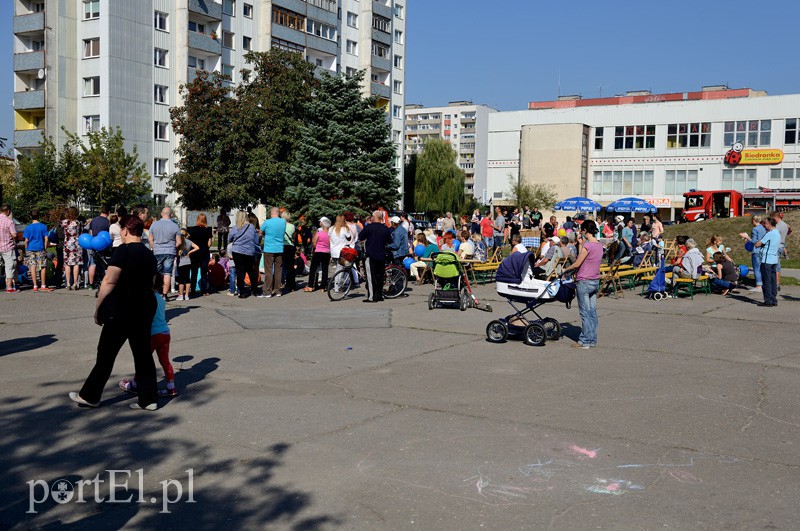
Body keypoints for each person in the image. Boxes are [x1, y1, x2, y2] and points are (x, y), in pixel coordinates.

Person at [69, 215, 159, 410]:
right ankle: (149, 399)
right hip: (145, 306)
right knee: (142, 353)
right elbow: (153, 282)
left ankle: (90, 396)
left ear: (126, 230)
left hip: (123, 307)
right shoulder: (149, 253)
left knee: (106, 353)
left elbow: (109, 281)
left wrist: (98, 309)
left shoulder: (123, 251)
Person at [118, 276, 178, 397]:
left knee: (142, 360)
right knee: (165, 361)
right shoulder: (161, 299)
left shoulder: (147, 299)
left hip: (153, 334)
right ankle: (171, 387)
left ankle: (134, 384)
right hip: (165, 332)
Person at [563, 220, 603, 349]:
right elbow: (586, 259)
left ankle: (585, 341)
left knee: (585, 313)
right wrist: (581, 244)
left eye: (582, 230)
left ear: (585, 230)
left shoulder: (588, 246)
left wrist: (565, 270)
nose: (581, 232)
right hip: (594, 281)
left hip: (584, 281)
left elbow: (577, 263)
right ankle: (592, 339)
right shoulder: (598, 245)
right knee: (592, 312)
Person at [358, 211, 392, 302]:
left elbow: (360, 236)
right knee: (380, 276)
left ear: (374, 217)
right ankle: (379, 295)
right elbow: (389, 240)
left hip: (371, 255)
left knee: (371, 277)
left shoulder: (369, 227)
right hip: (381, 255)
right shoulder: (385, 228)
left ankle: (372, 297)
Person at [149, 207, 182, 298]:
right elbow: (179, 242)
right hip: (170, 251)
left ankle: (155, 292)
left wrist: (154, 247)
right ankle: (164, 294)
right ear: (171, 215)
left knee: (156, 272)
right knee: (167, 273)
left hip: (158, 250)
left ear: (161, 214)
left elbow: (150, 239)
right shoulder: (175, 226)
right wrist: (172, 247)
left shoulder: (154, 225)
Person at [752, 216, 781, 307]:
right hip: (774, 259)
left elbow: (757, 244)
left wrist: (748, 238)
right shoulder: (777, 233)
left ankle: (768, 300)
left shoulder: (770, 233)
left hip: (767, 260)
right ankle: (773, 299)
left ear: (770, 224)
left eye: (765, 223)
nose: (764, 225)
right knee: (773, 280)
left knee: (766, 281)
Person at [228, 211, 257, 299]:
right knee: (251, 271)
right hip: (249, 251)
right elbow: (255, 238)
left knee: (240, 272)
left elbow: (230, 238)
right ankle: (254, 290)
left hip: (238, 251)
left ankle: (242, 292)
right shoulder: (251, 227)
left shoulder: (236, 227)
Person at [258, 207, 286, 298]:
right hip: (279, 248)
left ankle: (267, 291)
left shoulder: (267, 222)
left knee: (268, 270)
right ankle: (277, 290)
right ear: (278, 213)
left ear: (271, 213)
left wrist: (263, 235)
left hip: (269, 248)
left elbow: (260, 232)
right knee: (278, 270)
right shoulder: (283, 222)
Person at [23, 209, 51, 292]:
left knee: (33, 266)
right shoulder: (43, 226)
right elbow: (46, 239)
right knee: (42, 266)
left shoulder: (28, 227)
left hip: (31, 248)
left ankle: (35, 285)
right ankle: (43, 284)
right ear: (39, 216)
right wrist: (45, 248)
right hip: (40, 247)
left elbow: (26, 241)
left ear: (30, 216)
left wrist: (26, 249)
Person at [739, 215, 766, 292]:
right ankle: (763, 283)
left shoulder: (755, 229)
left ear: (754, 220)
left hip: (756, 251)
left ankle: (758, 285)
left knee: (756, 268)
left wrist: (747, 237)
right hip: (762, 250)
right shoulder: (763, 228)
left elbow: (755, 242)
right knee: (762, 268)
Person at [304, 217, 331, 292]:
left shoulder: (319, 233)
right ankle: (323, 287)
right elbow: (330, 243)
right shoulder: (329, 235)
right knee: (325, 269)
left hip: (318, 252)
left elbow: (314, 243)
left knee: (313, 269)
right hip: (326, 252)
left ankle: (310, 286)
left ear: (323, 225)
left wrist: (318, 247)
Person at [188, 214, 213, 296]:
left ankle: (193, 290)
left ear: (197, 219)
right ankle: (204, 290)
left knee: (194, 271)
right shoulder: (208, 230)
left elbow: (190, 242)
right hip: (204, 252)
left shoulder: (192, 229)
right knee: (204, 271)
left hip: (195, 252)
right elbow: (209, 244)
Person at [87, 206, 111, 289]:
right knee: (104, 263)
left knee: (92, 264)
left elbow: (90, 232)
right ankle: (104, 282)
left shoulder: (93, 220)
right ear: (108, 212)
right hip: (104, 245)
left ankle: (91, 284)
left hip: (93, 243)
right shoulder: (107, 222)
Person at [61, 206, 83, 290]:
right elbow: (80, 232)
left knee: (67, 263)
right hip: (77, 243)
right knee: (76, 263)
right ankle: (75, 283)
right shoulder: (78, 223)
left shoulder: (64, 222)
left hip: (67, 243)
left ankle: (68, 283)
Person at [329, 214, 354, 286]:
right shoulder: (344, 229)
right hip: (341, 252)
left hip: (333, 252)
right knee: (340, 270)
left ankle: (338, 284)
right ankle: (337, 286)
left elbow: (329, 238)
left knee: (338, 268)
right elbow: (349, 238)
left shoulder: (331, 229)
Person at [175, 228, 198, 301]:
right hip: (188, 261)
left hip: (180, 262)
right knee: (187, 279)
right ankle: (187, 295)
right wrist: (189, 252)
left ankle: (181, 294)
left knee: (181, 280)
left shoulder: (178, 242)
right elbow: (197, 247)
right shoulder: (189, 241)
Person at [772, 211, 789, 289]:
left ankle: (776, 283)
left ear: (775, 217)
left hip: (777, 246)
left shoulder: (777, 226)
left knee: (775, 266)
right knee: (777, 265)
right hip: (782, 246)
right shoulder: (785, 225)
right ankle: (777, 283)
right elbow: (789, 231)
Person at [281, 211, 297, 293]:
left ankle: (284, 282)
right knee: (290, 266)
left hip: (283, 246)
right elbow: (294, 237)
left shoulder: (281, 226)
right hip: (290, 246)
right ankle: (292, 284)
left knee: (283, 266)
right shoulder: (292, 226)